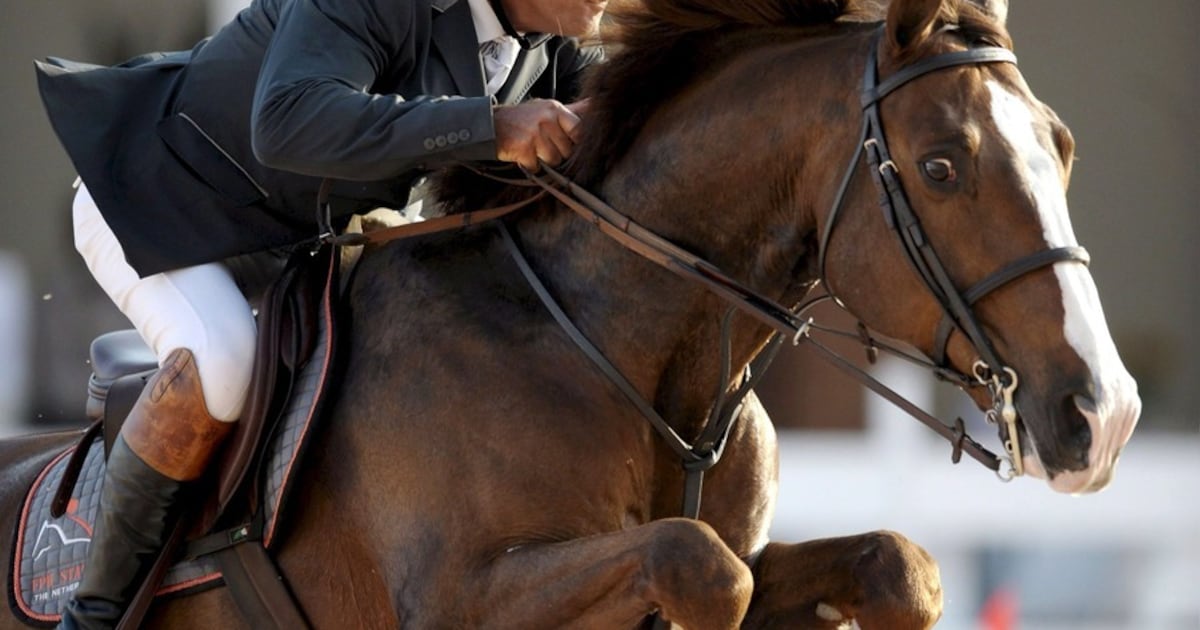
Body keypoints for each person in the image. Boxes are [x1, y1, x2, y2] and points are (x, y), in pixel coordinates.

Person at [35, 0, 606, 627]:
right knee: (225, 359)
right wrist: (491, 127)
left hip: (298, 240)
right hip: (159, 204)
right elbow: (286, 121)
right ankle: (92, 612)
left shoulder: (553, 49)